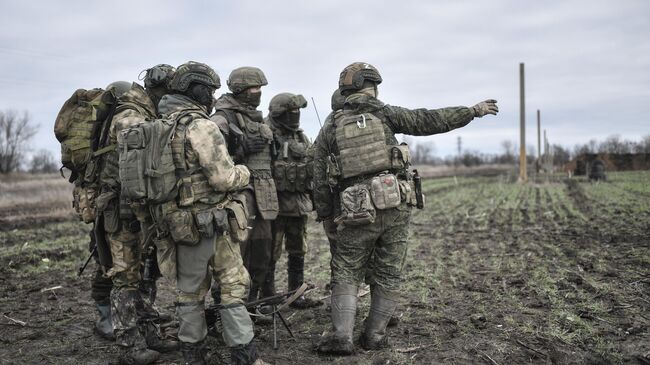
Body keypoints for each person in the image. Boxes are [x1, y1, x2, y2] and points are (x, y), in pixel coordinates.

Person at [314, 62, 499, 355]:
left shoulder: (332, 124)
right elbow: (429, 120)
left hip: (355, 210)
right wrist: (472, 111)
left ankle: (341, 338)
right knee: (388, 272)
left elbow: (319, 175)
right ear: (372, 86)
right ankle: (374, 337)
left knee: (346, 271)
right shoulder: (385, 114)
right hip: (395, 204)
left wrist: (325, 215)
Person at [155, 61, 267, 365]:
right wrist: (243, 172)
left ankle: (194, 357)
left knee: (189, 293)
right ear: (198, 89)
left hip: (177, 224)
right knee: (232, 287)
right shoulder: (200, 125)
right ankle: (245, 358)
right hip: (212, 223)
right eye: (211, 90)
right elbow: (223, 178)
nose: (214, 96)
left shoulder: (159, 125)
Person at [99, 69, 179, 364]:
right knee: (126, 278)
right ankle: (129, 346)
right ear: (158, 90)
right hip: (122, 211)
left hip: (137, 210)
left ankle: (149, 333)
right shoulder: (131, 118)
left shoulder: (147, 114)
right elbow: (134, 175)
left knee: (146, 273)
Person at [211, 67, 278, 301]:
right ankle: (226, 310)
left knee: (262, 255)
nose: (257, 93)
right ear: (240, 90)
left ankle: (252, 305)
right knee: (234, 259)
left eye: (260, 88)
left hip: (263, 199)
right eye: (253, 88)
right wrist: (241, 149)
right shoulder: (222, 117)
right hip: (237, 200)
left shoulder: (257, 119)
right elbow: (211, 160)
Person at [266, 92, 321, 308]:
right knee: (270, 254)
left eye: (298, 112)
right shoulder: (266, 134)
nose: (295, 116)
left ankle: (296, 295)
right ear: (280, 114)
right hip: (274, 207)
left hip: (298, 206)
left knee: (299, 251)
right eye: (291, 112)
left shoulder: (300, 137)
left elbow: (310, 168)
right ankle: (268, 297)